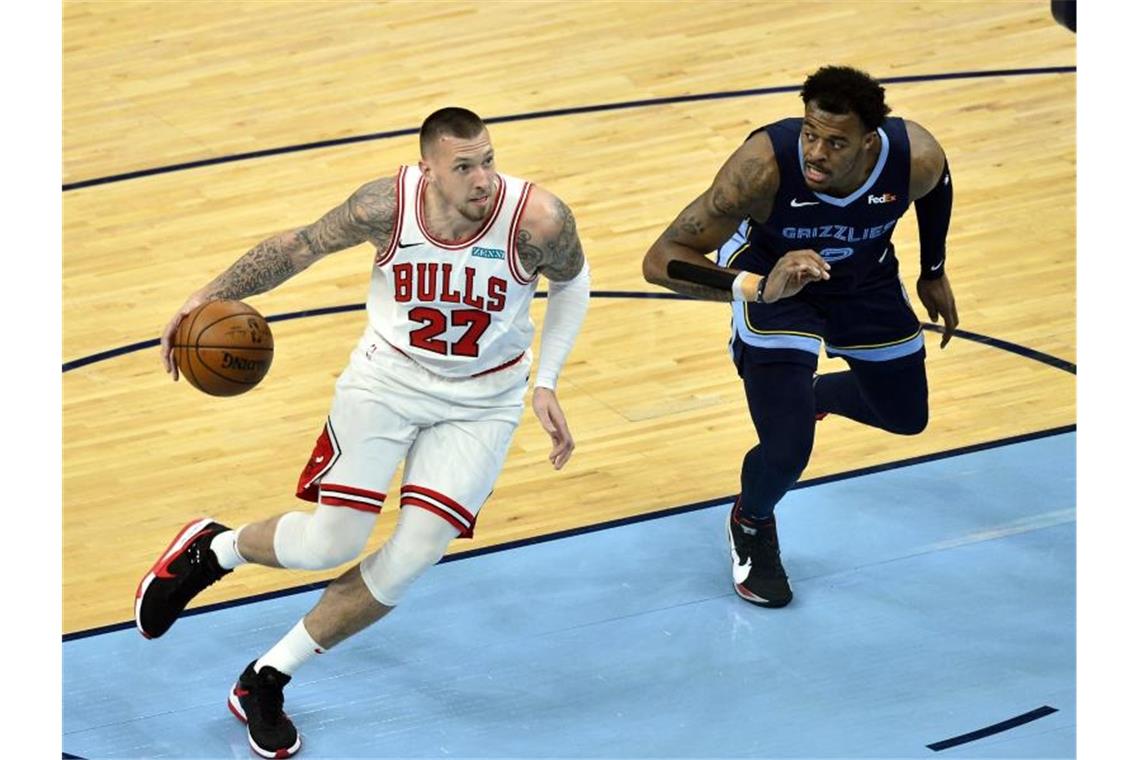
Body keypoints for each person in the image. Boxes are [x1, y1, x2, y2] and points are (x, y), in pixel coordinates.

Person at [135, 107, 590, 758]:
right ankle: (216, 548)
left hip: (483, 401)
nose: (482, 178)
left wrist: (547, 380)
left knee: (410, 559)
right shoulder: (386, 206)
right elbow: (297, 246)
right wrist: (208, 295)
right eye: (464, 166)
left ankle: (266, 677)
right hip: (387, 381)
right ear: (428, 169)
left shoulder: (538, 218)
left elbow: (574, 280)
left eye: (488, 160)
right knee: (329, 541)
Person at [642, 65, 958, 610]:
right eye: (811, 133)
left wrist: (933, 269)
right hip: (777, 284)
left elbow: (938, 187)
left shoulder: (915, 158)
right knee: (788, 451)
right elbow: (660, 260)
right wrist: (760, 286)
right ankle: (752, 520)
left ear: (869, 140)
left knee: (907, 417)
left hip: (864, 281)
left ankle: (818, 396)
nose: (816, 152)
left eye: (836, 142)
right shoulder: (761, 168)